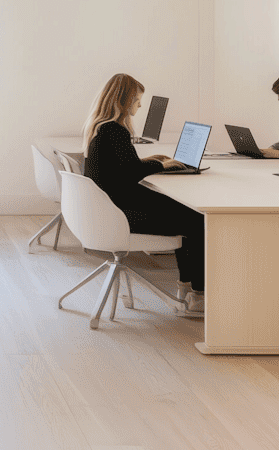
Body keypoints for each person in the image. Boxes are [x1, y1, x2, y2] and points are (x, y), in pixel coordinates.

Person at [82, 73, 205, 315]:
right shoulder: (115, 131)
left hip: (108, 210)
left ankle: (186, 287)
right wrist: (161, 165)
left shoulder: (99, 128)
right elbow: (131, 173)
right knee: (195, 219)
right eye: (137, 99)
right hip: (122, 214)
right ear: (125, 100)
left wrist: (148, 160)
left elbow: (120, 167)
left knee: (182, 211)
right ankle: (197, 296)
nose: (139, 104)